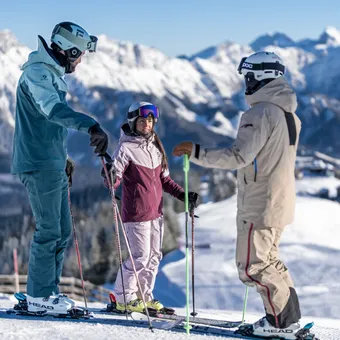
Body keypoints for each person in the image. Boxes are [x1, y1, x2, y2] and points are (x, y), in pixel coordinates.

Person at [173, 52, 302, 339]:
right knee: (271, 261)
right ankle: (286, 319)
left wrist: (196, 152)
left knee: (253, 266)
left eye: (249, 76)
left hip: (260, 202)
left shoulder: (260, 113)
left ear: (259, 77)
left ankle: (280, 325)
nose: (246, 83)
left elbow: (238, 156)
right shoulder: (288, 114)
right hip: (279, 202)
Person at [11, 22, 108, 315]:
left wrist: (62, 158)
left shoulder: (48, 72)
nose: (80, 61)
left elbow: (46, 127)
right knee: (49, 229)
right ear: (70, 50)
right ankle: (40, 296)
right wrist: (90, 124)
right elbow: (51, 110)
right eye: (79, 55)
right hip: (39, 163)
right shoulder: (38, 72)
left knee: (62, 230)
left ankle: (48, 292)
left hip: (50, 162)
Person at [102, 101, 199, 313]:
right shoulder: (126, 148)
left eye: (150, 120)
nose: (147, 124)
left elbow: (164, 180)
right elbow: (113, 181)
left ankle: (144, 297)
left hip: (156, 212)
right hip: (136, 214)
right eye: (142, 120)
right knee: (139, 257)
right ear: (133, 122)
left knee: (154, 257)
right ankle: (124, 298)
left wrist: (183, 195)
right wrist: (109, 174)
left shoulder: (154, 146)